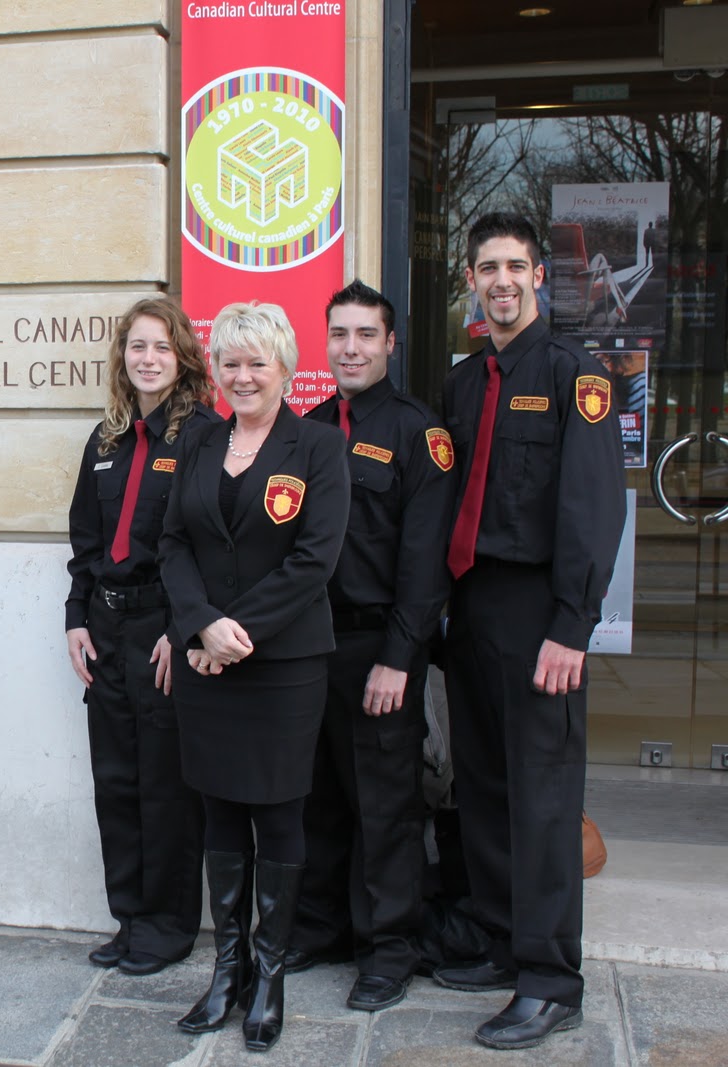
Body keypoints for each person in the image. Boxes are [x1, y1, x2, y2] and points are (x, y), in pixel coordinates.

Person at [435, 213, 624, 1050]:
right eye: (487, 268)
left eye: (515, 266)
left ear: (539, 276)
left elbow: (593, 509)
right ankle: (502, 938)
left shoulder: (575, 373)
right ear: (471, 281)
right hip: (473, 610)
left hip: (541, 615)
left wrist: (571, 627)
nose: (501, 280)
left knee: (544, 800)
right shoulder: (464, 383)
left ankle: (551, 979)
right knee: (483, 786)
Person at [160, 302, 349, 1052]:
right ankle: (227, 968)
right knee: (217, 814)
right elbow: (172, 542)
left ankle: (270, 976)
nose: (242, 376)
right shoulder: (202, 440)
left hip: (283, 665)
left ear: (284, 368)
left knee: (277, 816)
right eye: (230, 362)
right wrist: (199, 623)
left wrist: (232, 633)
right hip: (208, 658)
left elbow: (314, 560)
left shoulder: (320, 447)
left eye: (256, 363)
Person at [291, 281, 456, 1011]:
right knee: (319, 797)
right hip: (311, 647)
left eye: (366, 334)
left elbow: (425, 566)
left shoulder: (420, 434)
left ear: (391, 344)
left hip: (379, 649)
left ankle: (390, 947)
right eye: (340, 334)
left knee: (386, 806)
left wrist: (399, 656)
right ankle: (323, 927)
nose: (351, 347)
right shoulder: (308, 429)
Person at [64, 296, 218, 977]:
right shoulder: (105, 441)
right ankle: (129, 916)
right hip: (107, 625)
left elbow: (213, 545)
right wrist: (75, 617)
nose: (147, 358)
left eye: (160, 346)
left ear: (182, 356)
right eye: (136, 347)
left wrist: (184, 627)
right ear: (122, 359)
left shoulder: (204, 437)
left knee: (164, 786)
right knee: (116, 781)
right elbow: (85, 542)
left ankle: (169, 924)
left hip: (163, 627)